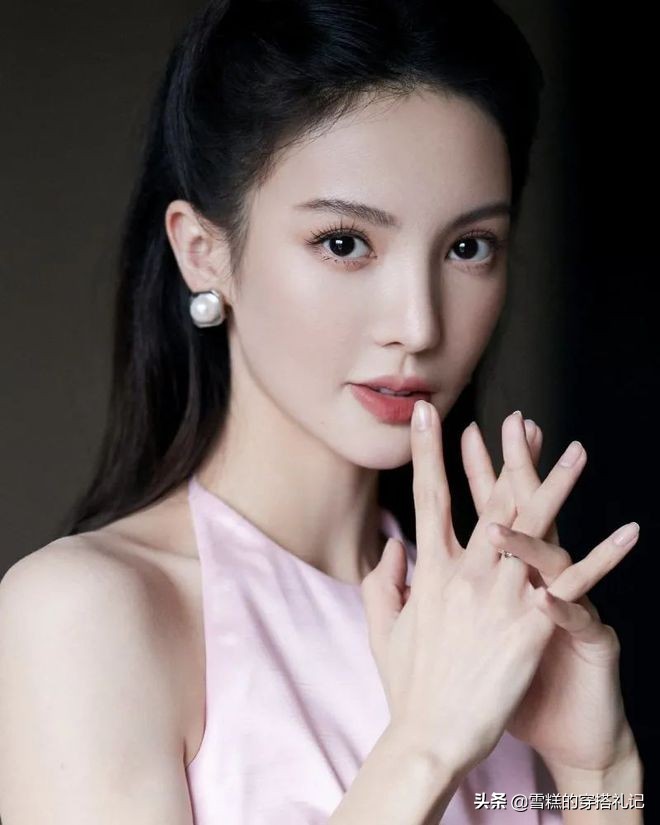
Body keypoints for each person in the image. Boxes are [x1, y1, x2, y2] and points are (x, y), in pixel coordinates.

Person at [0, 0, 643, 823]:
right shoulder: (84, 612)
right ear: (204, 252)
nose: (418, 324)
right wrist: (425, 745)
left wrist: (599, 768)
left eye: (468, 246)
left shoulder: (489, 619)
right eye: (345, 242)